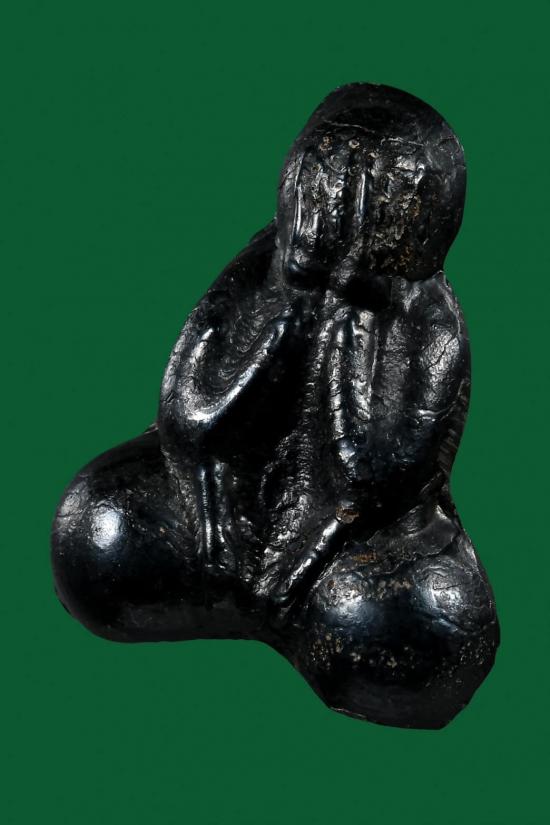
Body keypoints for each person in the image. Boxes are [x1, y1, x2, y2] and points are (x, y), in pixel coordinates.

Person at [52, 83, 499, 728]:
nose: (336, 214)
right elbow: (190, 405)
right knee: (100, 523)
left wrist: (348, 329)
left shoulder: (426, 322)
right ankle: (232, 590)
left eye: (370, 203)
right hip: (219, 504)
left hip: (343, 551)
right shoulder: (268, 266)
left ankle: (304, 616)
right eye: (324, 191)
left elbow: (373, 477)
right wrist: (283, 325)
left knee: (427, 629)